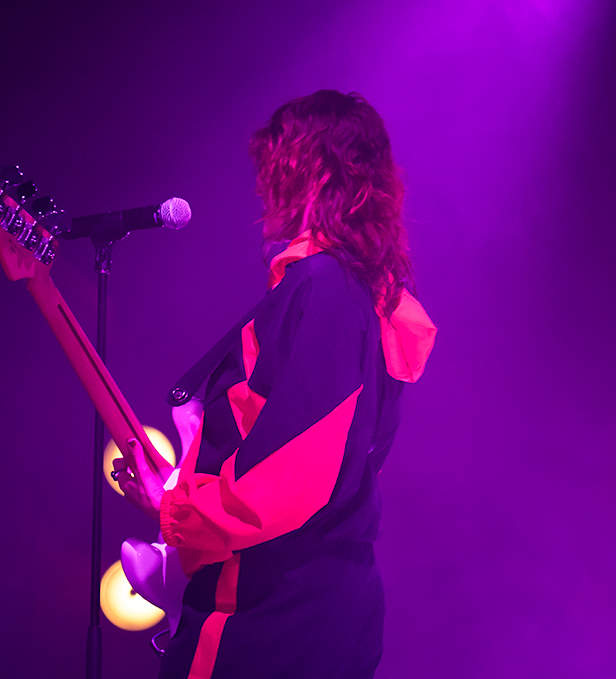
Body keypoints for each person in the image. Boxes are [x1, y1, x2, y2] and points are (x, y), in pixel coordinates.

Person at [114, 90, 436, 679]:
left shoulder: (324, 287)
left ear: (305, 170)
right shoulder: (376, 298)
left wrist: (175, 511)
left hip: (272, 608)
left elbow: (290, 472)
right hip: (325, 602)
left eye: (273, 168)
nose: (263, 190)